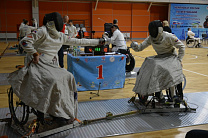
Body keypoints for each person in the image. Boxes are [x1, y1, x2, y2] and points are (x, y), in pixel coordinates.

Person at [8, 12, 105, 126]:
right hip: (37, 65)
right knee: (54, 81)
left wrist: (99, 41)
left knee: (68, 77)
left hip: (52, 66)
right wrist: (34, 54)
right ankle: (49, 110)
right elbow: (24, 41)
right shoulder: (42, 31)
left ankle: (60, 111)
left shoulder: (60, 36)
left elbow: (80, 41)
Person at [131, 20, 185, 103]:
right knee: (150, 65)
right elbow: (140, 48)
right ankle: (158, 94)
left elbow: (182, 47)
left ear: (159, 29)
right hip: (161, 58)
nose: (152, 31)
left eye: (154, 29)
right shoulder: (151, 38)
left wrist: (179, 60)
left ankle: (173, 95)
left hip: (171, 57)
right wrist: (135, 46)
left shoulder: (168, 36)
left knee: (169, 72)